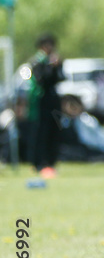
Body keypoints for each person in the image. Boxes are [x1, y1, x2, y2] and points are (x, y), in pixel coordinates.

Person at [28, 33, 65, 178]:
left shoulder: (55, 62)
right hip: (41, 102)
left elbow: (61, 78)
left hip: (54, 101)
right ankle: (39, 163)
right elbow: (41, 80)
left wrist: (57, 67)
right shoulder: (36, 62)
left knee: (54, 131)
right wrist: (50, 67)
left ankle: (51, 162)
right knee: (40, 133)